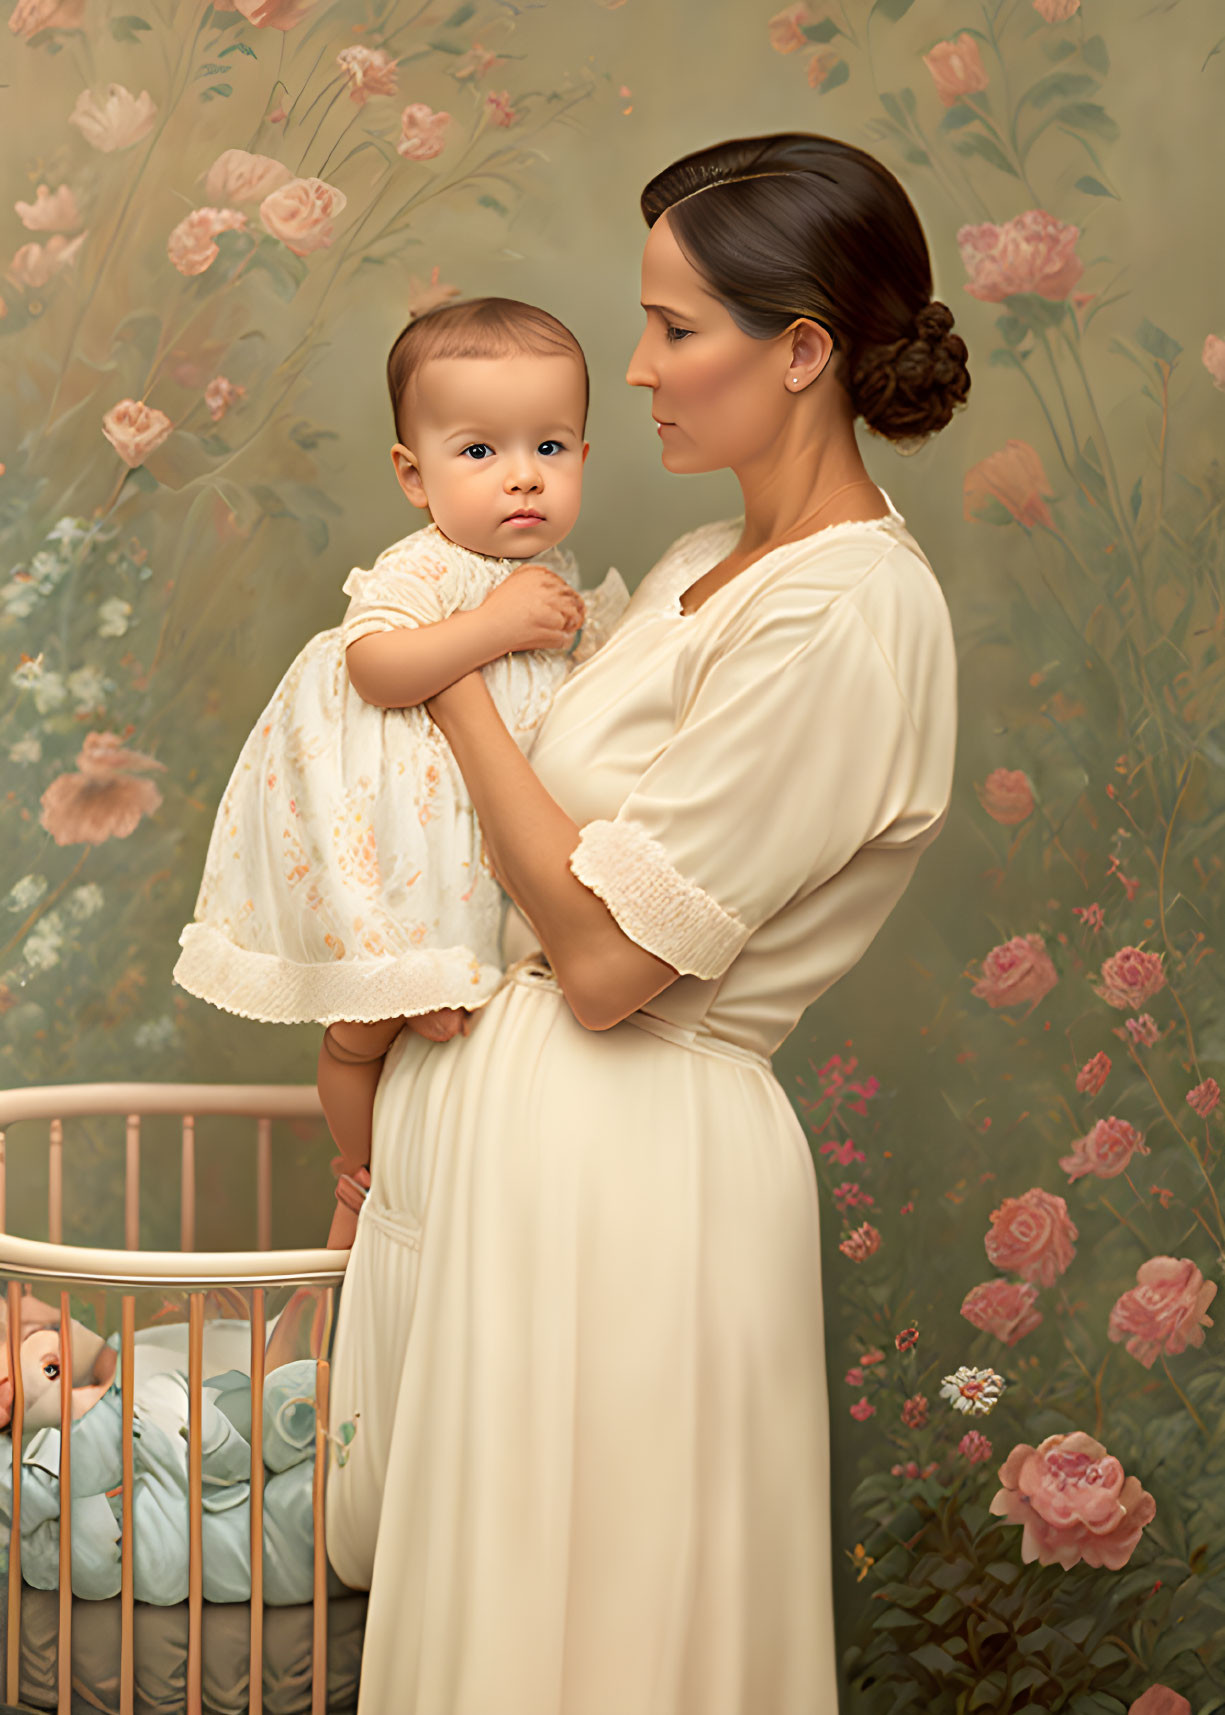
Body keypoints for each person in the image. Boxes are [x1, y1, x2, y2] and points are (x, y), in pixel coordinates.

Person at [326, 130, 967, 1714]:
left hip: (629, 1174)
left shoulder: (849, 613)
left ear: (801, 348)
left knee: (598, 1638)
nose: (639, 367)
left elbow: (613, 963)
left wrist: (456, 678)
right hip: (524, 1156)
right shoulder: (700, 561)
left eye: (678, 328)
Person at [172, 299, 629, 1246]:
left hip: (478, 844)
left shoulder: (556, 574)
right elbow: (374, 664)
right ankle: (362, 1173)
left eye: (551, 447)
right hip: (401, 849)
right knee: (368, 1032)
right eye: (478, 453)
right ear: (413, 477)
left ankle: (408, 1186)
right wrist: (499, 625)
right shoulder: (424, 568)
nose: (521, 478)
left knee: (466, 1020)